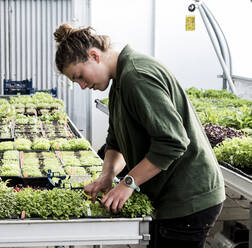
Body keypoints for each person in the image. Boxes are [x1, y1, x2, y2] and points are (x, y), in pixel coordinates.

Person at [53, 23, 225, 248]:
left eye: (80, 77)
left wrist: (128, 183)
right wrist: (106, 177)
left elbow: (172, 142)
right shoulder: (119, 82)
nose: (83, 86)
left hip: (189, 197)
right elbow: (115, 140)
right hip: (169, 195)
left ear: (94, 55)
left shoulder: (136, 76)